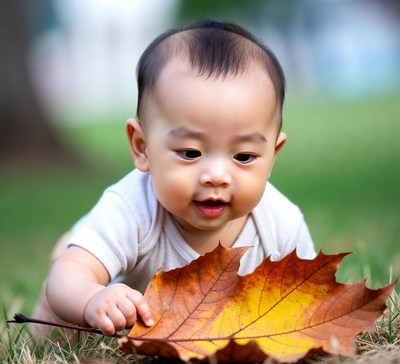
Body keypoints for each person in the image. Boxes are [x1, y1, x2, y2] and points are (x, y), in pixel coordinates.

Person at [34, 17, 316, 337]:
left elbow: (308, 298)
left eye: (243, 157)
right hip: (132, 322)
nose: (216, 176)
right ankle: (76, 244)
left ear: (272, 157)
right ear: (143, 148)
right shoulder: (132, 208)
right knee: (62, 293)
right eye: (190, 153)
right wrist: (91, 297)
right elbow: (69, 276)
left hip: (210, 337)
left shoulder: (281, 223)